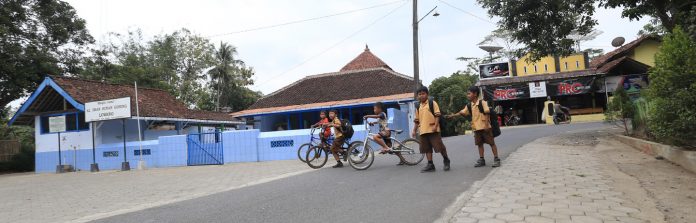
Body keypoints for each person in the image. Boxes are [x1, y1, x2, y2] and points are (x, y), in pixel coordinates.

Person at [446, 86, 501, 168]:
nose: (467, 95)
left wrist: (486, 125)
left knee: (491, 143)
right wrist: (453, 115)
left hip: (485, 127)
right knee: (479, 144)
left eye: (469, 93)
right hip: (476, 128)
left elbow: (487, 113)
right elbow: (463, 112)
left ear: (475, 94)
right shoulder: (469, 105)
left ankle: (496, 159)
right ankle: (482, 159)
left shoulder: (482, 102)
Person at [412, 86, 450, 172]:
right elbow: (417, 120)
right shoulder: (418, 106)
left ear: (427, 94)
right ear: (417, 96)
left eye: (423, 94)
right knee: (426, 148)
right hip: (423, 131)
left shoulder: (432, 103)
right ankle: (430, 164)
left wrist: (435, 126)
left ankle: (446, 160)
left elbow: (437, 115)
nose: (421, 96)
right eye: (419, 94)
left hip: (433, 129)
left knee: (439, 147)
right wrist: (414, 130)